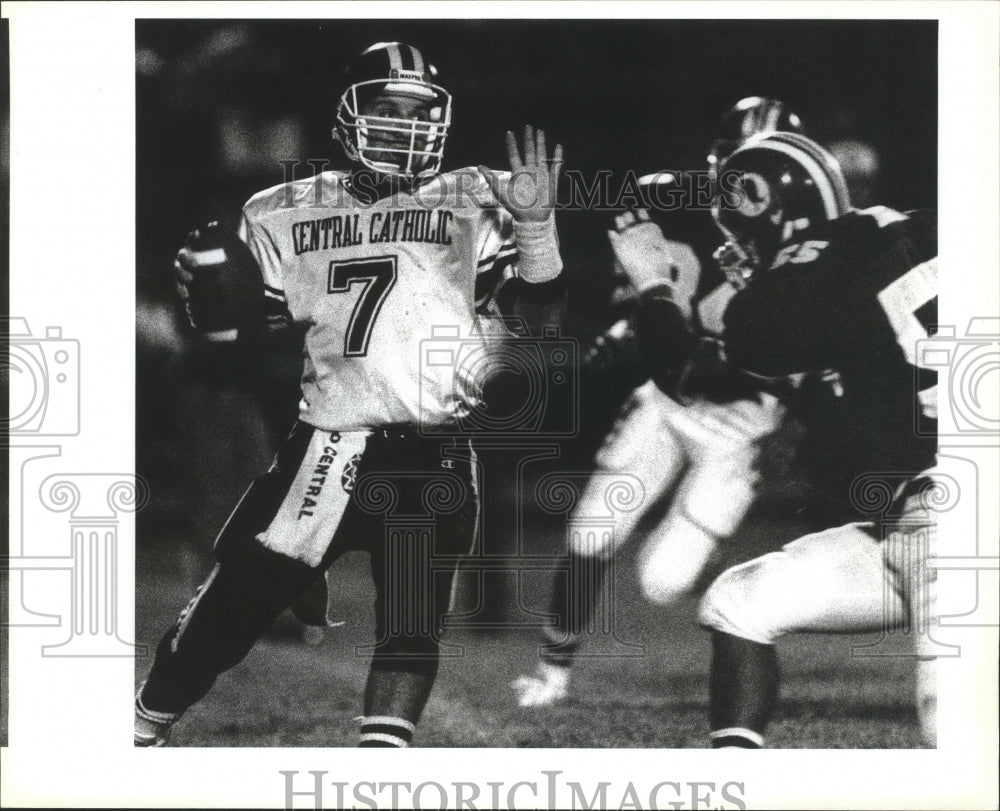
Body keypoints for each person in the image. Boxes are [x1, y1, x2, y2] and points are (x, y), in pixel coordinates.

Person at [134, 40, 564, 747]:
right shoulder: (280, 209)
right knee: (231, 610)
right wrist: (213, 306)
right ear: (348, 115)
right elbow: (243, 343)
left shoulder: (478, 196)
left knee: (411, 627)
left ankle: (380, 761)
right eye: (387, 108)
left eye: (417, 111)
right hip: (327, 446)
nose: (404, 123)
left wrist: (538, 229)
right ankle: (143, 725)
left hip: (437, 449)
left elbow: (542, 322)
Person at [618, 130, 937, 747]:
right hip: (915, 519)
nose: (737, 253)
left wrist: (654, 284)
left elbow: (685, 375)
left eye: (742, 233)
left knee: (957, 727)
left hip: (954, 516)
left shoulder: (806, 279)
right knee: (741, 600)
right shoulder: (908, 230)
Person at [513, 98, 801, 708]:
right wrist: (628, 329)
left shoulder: (814, 247)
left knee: (662, 582)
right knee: (592, 528)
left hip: (740, 424)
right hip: (670, 401)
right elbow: (639, 256)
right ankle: (552, 669)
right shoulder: (680, 209)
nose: (755, 185)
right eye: (744, 165)